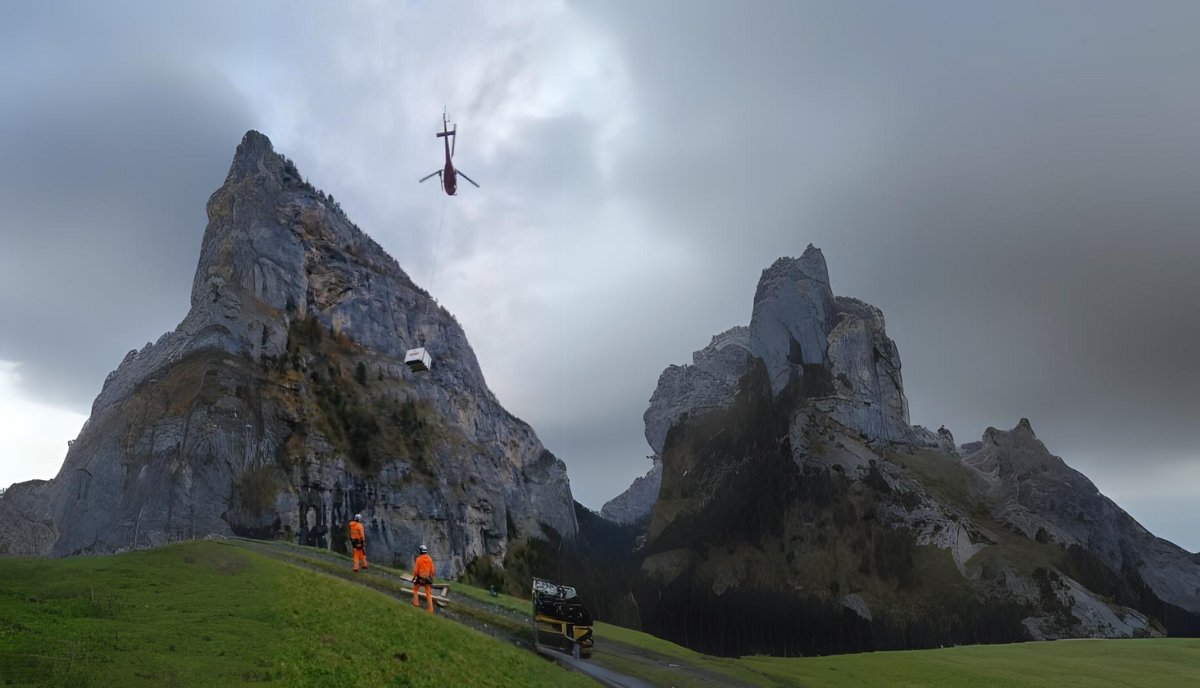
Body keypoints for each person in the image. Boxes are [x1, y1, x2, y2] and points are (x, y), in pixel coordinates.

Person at [412, 545, 435, 613]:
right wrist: (432, 577)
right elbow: (432, 570)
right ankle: (430, 609)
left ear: (421, 551)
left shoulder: (418, 559)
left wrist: (414, 577)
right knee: (428, 593)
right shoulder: (430, 559)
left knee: (415, 589)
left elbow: (416, 571)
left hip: (420, 579)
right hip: (427, 579)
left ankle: (416, 603)